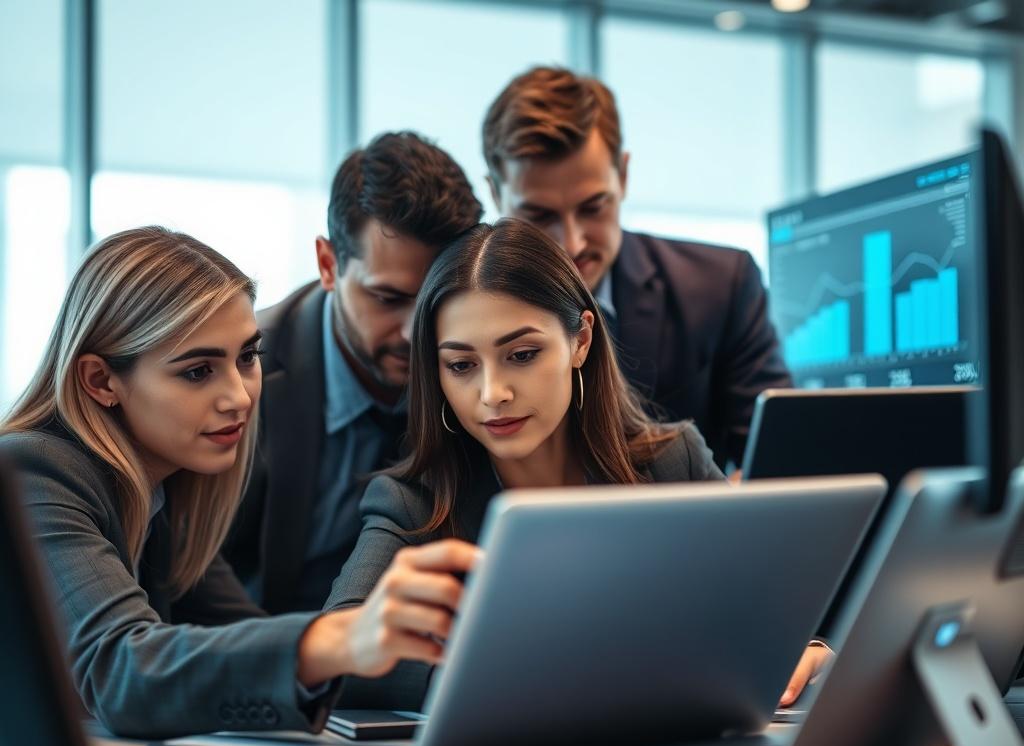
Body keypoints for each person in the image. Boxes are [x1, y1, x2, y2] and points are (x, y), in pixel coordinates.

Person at [323, 218, 829, 711]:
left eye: (522, 354)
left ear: (580, 341)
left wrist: (809, 651)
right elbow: (337, 651)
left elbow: (772, 613)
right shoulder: (413, 501)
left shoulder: (676, 461)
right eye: (461, 365)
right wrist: (505, 675)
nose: (492, 394)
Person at [0, 226, 478, 738]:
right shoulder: (33, 471)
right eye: (197, 371)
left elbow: (241, 642)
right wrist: (341, 635)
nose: (241, 396)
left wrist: (459, 664)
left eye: (247, 358)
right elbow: (124, 672)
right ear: (99, 380)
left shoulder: (167, 494)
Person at [482, 66, 792, 470]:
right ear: (494, 193)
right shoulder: (461, 307)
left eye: (594, 207)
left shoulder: (719, 287)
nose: (572, 242)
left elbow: (775, 462)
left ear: (624, 175)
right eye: (539, 215)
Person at [224, 131, 483, 614]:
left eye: (436, 302)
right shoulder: (237, 376)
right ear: (328, 264)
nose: (414, 333)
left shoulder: (478, 371)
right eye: (388, 298)